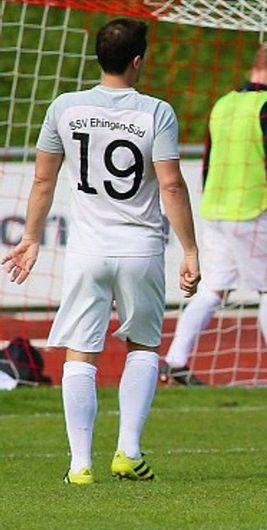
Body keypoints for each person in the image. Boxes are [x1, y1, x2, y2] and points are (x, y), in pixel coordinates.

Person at [1, 19, 201, 484]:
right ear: (138, 61)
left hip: (87, 252)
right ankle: (128, 452)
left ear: (98, 57)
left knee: (79, 353)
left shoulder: (65, 107)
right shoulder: (156, 112)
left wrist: (30, 237)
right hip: (140, 250)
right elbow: (170, 183)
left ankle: (80, 464)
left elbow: (43, 179)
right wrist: (190, 248)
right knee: (144, 345)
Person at [162, 44, 267, 385]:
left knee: (213, 290)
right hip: (253, 210)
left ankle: (174, 361)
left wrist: (211, 200)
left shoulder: (223, 104)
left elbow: (207, 161)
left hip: (215, 210)